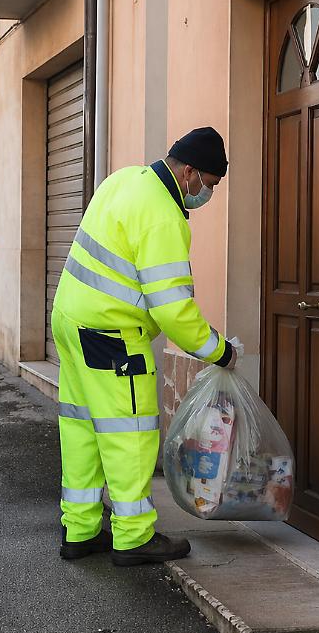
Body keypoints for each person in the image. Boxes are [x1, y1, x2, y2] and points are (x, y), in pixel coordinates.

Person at [51, 126, 237, 567]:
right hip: (112, 339)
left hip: (71, 320)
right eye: (208, 185)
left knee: (81, 428)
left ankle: (79, 530)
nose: (205, 196)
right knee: (128, 434)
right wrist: (219, 350)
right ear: (189, 172)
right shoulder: (163, 215)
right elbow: (174, 309)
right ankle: (133, 537)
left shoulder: (125, 179)